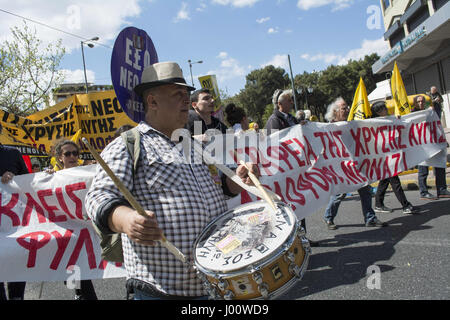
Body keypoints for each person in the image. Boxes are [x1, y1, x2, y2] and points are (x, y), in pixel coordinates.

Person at [85, 61, 258, 299]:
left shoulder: (194, 146)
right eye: (178, 94)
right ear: (153, 101)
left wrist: (237, 178)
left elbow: (220, 187)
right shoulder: (128, 144)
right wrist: (126, 220)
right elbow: (98, 197)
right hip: (162, 290)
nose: (186, 100)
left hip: (214, 281)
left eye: (187, 94)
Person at [323, 97, 387, 230]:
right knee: (339, 194)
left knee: (365, 190)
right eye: (343, 108)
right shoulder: (328, 128)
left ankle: (370, 218)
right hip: (342, 167)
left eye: (347, 107)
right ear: (335, 111)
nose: (347, 110)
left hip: (357, 164)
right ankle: (328, 217)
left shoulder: (351, 124)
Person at [51, 139, 98, 300]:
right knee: (73, 269)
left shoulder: (87, 173)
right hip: (66, 231)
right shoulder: (52, 177)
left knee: (84, 267)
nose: (72, 156)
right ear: (59, 157)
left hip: (87, 228)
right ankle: (79, 293)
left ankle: (81, 294)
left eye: (75, 153)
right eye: (68, 153)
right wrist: (47, 178)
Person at [370, 101, 418, 214]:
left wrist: (397, 119)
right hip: (384, 157)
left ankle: (378, 204)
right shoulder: (374, 123)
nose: (386, 109)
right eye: (384, 108)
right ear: (378, 111)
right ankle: (405, 205)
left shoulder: (389, 119)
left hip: (390, 155)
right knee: (395, 182)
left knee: (384, 181)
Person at [0, 124, 29, 300]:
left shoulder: (13, 154)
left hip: (14, 225)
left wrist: (14, 178)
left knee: (16, 267)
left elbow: (30, 183)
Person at [412, 95, 450, 200]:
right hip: (421, 147)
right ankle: (423, 192)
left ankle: (441, 190)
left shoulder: (429, 113)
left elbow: (437, 127)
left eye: (423, 101)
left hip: (433, 145)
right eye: (419, 102)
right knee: (423, 170)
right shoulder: (411, 115)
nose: (421, 103)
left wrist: (443, 139)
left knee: (439, 165)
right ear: (415, 103)